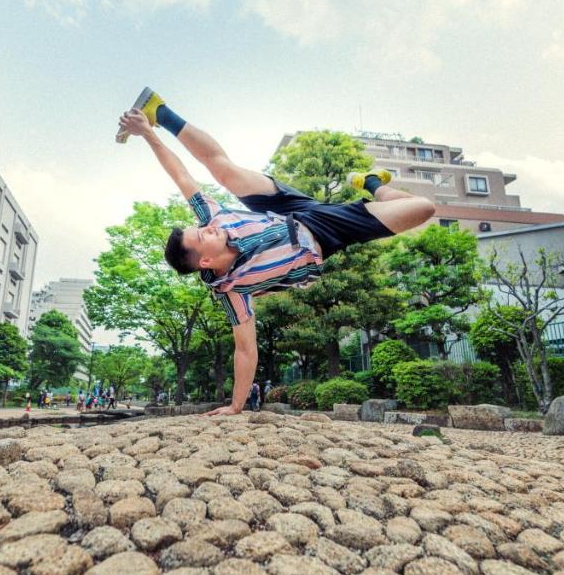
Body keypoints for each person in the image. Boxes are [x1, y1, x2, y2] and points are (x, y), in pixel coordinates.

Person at [118, 89, 434, 417]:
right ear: (206, 262)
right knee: (423, 208)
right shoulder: (233, 290)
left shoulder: (216, 218)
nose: (208, 227)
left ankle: (161, 112)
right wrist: (236, 406)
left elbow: (181, 176)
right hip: (319, 234)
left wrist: (148, 134)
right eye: (203, 235)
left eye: (203, 226)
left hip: (281, 207)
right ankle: (372, 184)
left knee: (224, 171)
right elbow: (245, 348)